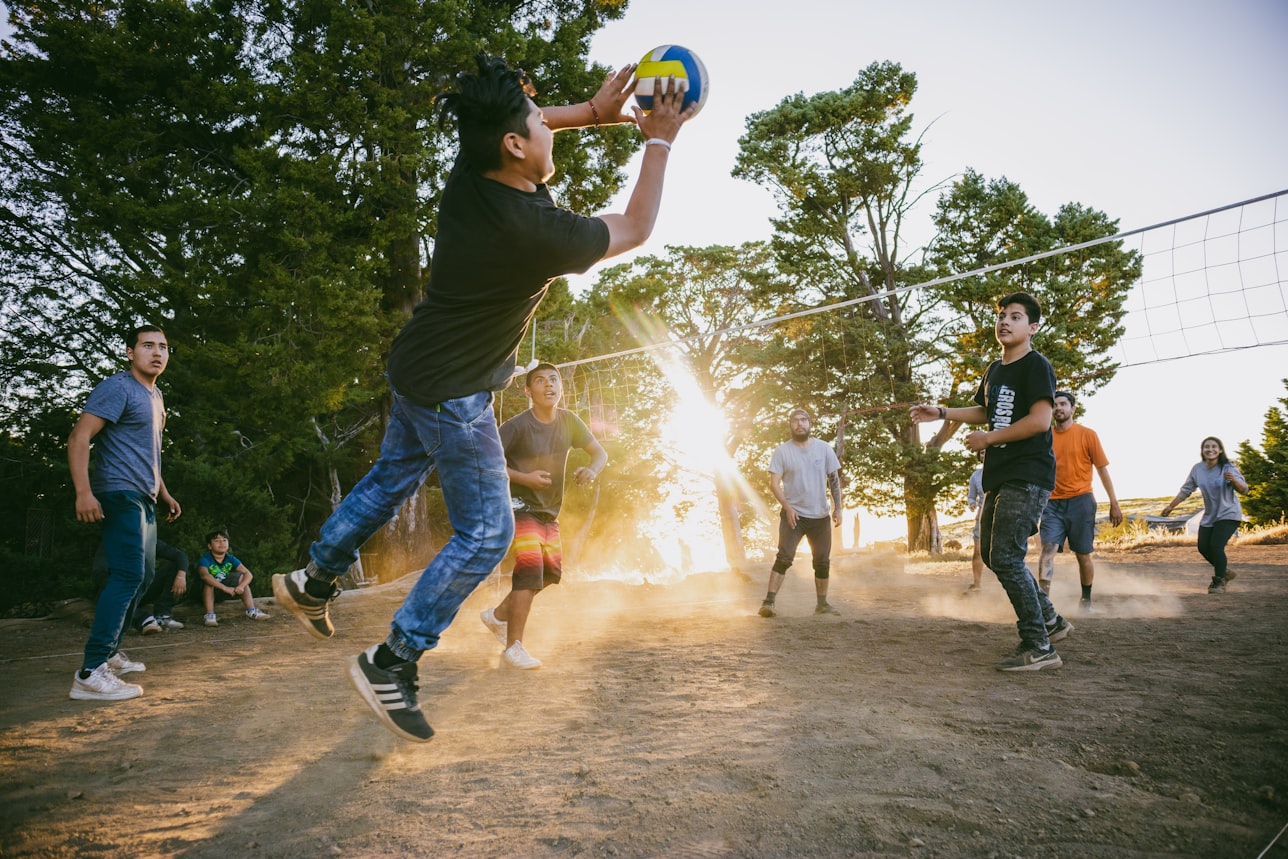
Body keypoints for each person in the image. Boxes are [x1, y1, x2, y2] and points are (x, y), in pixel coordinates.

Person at [272, 54, 693, 742]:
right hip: (455, 394)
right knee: (489, 533)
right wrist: (660, 138)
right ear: (515, 145)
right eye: (538, 121)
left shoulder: (471, 174)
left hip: (415, 367)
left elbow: (511, 128)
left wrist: (589, 114)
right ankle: (393, 658)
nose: (546, 124)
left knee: (390, 475)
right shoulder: (535, 232)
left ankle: (314, 578)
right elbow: (636, 225)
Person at [910, 292, 1072, 672]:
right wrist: (942, 412)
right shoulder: (995, 370)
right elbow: (985, 410)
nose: (1004, 321)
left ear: (1032, 327)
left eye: (1015, 317)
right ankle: (1051, 621)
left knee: (1005, 557)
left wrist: (988, 440)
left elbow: (1040, 421)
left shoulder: (1036, 366)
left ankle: (1039, 645)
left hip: (1028, 473)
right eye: (1001, 316)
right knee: (989, 552)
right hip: (1000, 475)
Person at [68, 324, 182, 702]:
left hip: (145, 496)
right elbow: (79, 437)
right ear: (130, 353)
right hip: (119, 492)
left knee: (145, 574)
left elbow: (148, 454)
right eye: (147, 345)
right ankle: (90, 671)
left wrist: (163, 493)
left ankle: (110, 654)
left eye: (163, 347)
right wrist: (83, 492)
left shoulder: (156, 395)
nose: (157, 352)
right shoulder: (118, 387)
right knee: (129, 573)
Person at [479, 362, 607, 669]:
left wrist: (591, 469)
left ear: (560, 388)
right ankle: (513, 648)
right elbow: (485, 461)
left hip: (548, 512)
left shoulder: (569, 421)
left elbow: (599, 452)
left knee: (548, 574)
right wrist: (525, 478)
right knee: (529, 570)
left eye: (554, 380)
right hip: (517, 507)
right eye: (540, 381)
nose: (549, 385)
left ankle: (497, 616)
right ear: (528, 391)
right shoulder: (517, 426)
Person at [1037, 391, 1123, 609]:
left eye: (1063, 404)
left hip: (1081, 501)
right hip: (1051, 503)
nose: (1059, 408)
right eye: (1055, 405)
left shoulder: (1088, 435)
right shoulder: (1044, 437)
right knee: (1047, 549)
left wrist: (1114, 502)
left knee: (1083, 554)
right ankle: (1043, 602)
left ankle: (1086, 600)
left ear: (1073, 408)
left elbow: (1102, 470)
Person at [758, 408, 843, 618]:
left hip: (820, 516)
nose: (800, 424)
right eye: (795, 421)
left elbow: (834, 480)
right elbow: (774, 484)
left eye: (804, 420)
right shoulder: (782, 452)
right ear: (790, 425)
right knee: (784, 557)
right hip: (793, 516)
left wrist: (838, 508)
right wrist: (787, 508)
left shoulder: (824, 449)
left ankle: (822, 605)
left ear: (810, 424)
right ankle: (768, 602)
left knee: (822, 561)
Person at [1160, 436, 1248, 593]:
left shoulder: (1227, 467)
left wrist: (1234, 480)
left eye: (1214, 446)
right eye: (1206, 447)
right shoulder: (1197, 469)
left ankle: (1219, 581)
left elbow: (1244, 489)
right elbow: (1186, 490)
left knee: (1216, 546)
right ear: (1202, 451)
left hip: (1229, 513)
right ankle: (1225, 572)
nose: (1210, 449)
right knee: (1203, 547)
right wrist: (1170, 506)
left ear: (1220, 450)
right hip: (1210, 515)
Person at [92, 538, 189, 634]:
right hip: (120, 592)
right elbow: (99, 573)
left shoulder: (145, 540)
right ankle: (143, 620)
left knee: (176, 567)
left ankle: (163, 616)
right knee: (105, 596)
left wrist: (181, 575)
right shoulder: (111, 542)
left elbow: (180, 555)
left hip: (142, 590)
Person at [197, 529, 269, 626]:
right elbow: (204, 576)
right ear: (209, 546)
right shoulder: (205, 559)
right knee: (209, 581)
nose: (221, 543)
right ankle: (209, 615)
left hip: (220, 592)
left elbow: (248, 573)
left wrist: (241, 586)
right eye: (217, 541)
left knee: (242, 578)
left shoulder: (230, 558)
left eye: (224, 540)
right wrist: (225, 588)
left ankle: (251, 611)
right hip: (201, 593)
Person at [965, 453, 984, 593]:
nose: (985, 455)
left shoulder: (1003, 472)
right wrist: (972, 504)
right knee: (977, 551)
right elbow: (971, 496)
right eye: (982, 452)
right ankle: (976, 584)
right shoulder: (976, 476)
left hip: (1002, 515)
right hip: (982, 517)